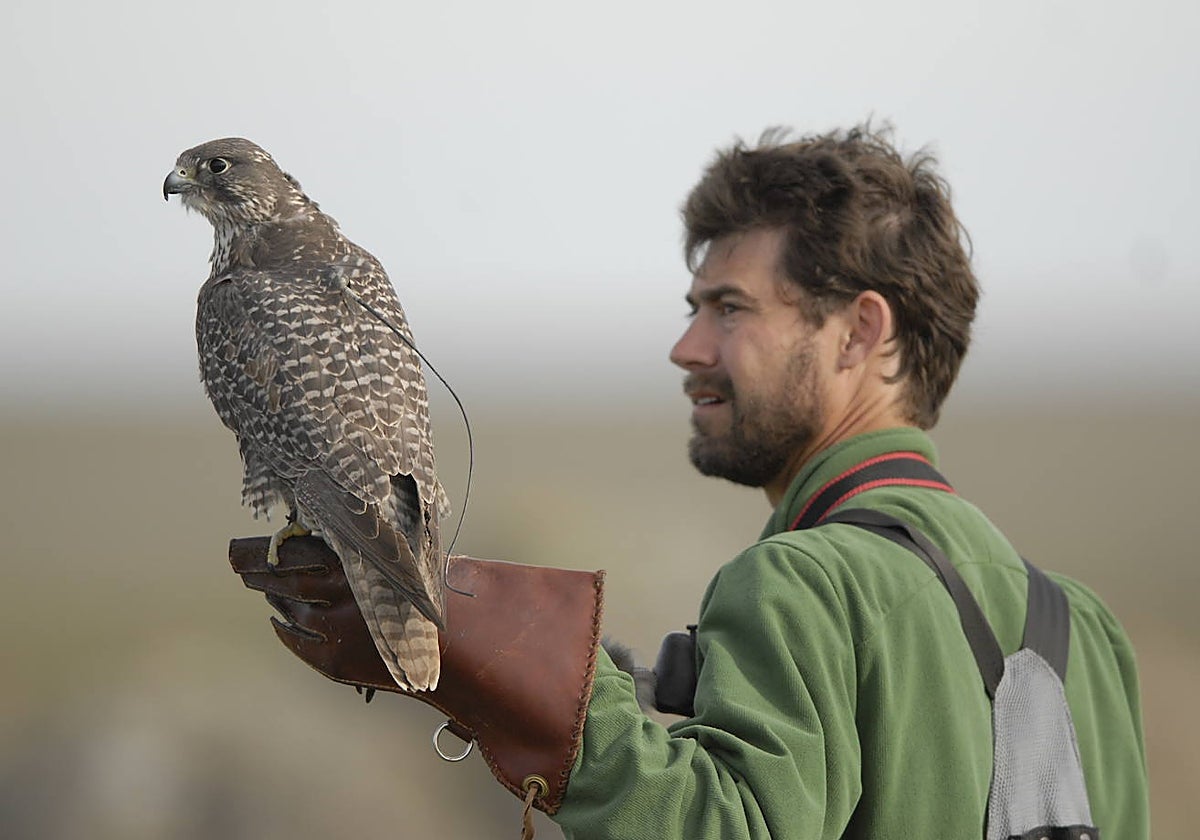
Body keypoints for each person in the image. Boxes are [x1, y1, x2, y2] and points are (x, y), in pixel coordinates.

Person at [232, 124, 1149, 839]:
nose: (687, 347)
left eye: (730, 310)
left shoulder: (804, 582)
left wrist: (535, 689)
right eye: (691, 308)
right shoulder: (1081, 628)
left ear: (861, 334)